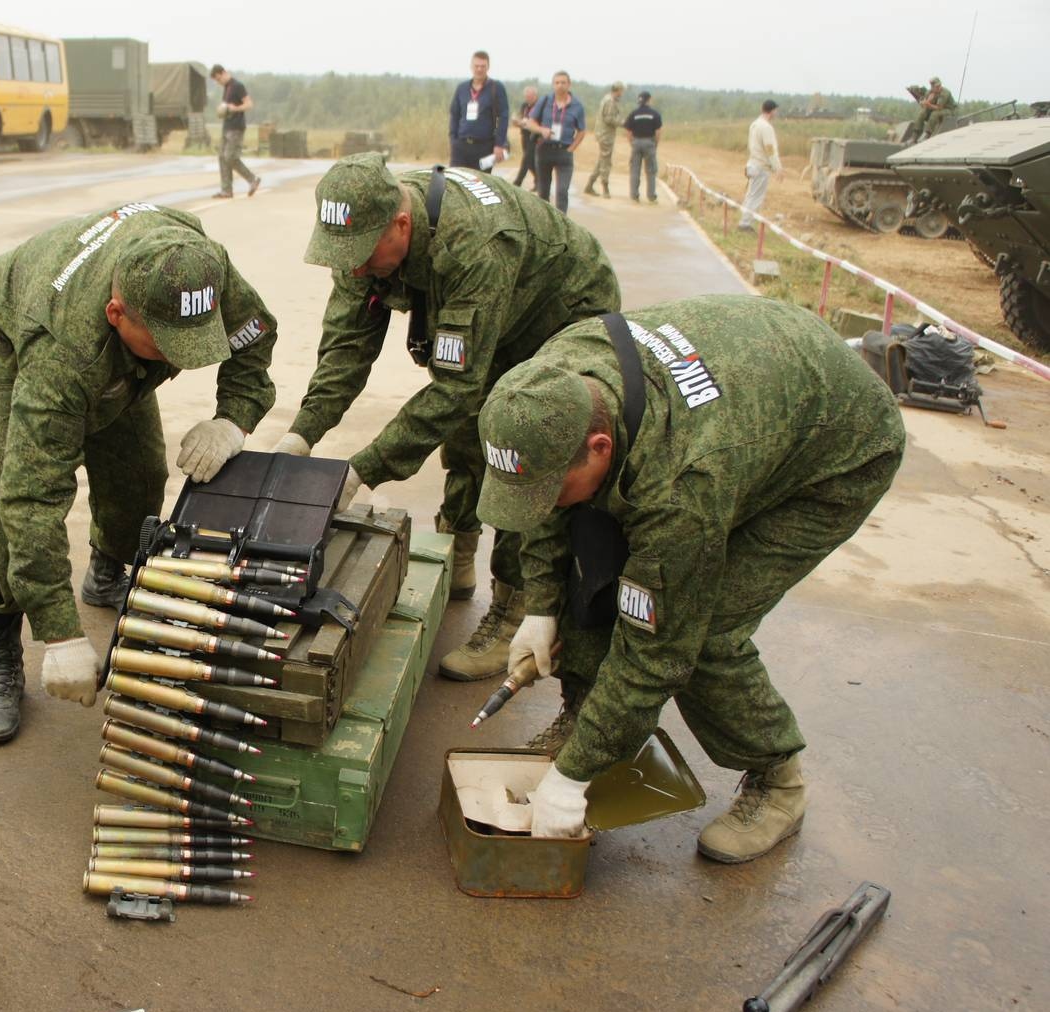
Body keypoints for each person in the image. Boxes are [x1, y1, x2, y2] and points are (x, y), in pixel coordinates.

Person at [477, 295, 904, 861]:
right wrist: (542, 605)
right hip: (759, 391)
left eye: (550, 486)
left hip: (835, 450)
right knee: (592, 541)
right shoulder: (547, 386)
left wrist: (571, 779)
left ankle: (777, 780)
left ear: (600, 448)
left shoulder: (684, 487)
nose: (542, 502)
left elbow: (657, 654)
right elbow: (550, 510)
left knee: (704, 631)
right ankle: (589, 719)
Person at [274, 153, 619, 681]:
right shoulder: (360, 242)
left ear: (401, 224)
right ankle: (458, 552)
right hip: (489, 305)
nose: (355, 269)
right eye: (343, 257)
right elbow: (346, 349)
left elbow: (458, 386)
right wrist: (302, 432)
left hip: (560, 312)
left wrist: (364, 468)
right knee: (462, 426)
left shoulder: (474, 244)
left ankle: (514, 607)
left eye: (363, 256)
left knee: (519, 451)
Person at [0, 202, 277, 742]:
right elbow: (31, 499)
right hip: (5, 338)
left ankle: (105, 571)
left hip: (100, 338)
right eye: (169, 346)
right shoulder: (67, 354)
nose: (181, 360)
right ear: (116, 314)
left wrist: (232, 420)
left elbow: (254, 338)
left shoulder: (200, 270)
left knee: (141, 477)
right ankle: (3, 649)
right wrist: (60, 635)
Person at [527, 71, 586, 213]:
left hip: (564, 151)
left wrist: (572, 148)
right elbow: (531, 122)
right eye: (557, 82)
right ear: (553, 84)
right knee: (543, 192)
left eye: (563, 82)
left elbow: (582, 131)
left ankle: (562, 226)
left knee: (562, 192)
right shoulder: (545, 101)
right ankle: (544, 225)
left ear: (569, 84)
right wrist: (541, 130)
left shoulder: (577, 106)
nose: (560, 86)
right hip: (544, 149)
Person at [448, 50, 510, 173]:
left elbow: (503, 116)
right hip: (461, 145)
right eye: (476, 66)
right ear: (471, 66)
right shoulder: (462, 88)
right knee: (456, 182)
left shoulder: (496, 88)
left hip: (484, 146)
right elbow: (454, 114)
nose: (479, 69)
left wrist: (499, 144)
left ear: (488, 67)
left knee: (479, 186)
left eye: (483, 66)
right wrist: (453, 140)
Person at [209, 64, 260, 198]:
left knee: (230, 157)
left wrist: (234, 108)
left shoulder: (238, 86)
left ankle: (252, 179)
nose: (218, 82)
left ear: (224, 73)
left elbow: (249, 104)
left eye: (219, 79)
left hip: (236, 127)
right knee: (221, 156)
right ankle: (226, 190)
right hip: (227, 126)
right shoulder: (227, 88)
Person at [740, 99, 782, 229]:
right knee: (756, 197)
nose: (776, 113)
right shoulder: (766, 127)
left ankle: (745, 220)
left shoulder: (754, 124)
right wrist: (778, 168)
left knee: (751, 195)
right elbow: (770, 150)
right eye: (776, 110)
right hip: (761, 167)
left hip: (752, 163)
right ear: (772, 111)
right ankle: (745, 224)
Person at [583, 81, 625, 197]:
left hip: (604, 134)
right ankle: (605, 187)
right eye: (621, 91)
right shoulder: (610, 101)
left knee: (602, 160)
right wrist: (623, 123)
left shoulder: (607, 99)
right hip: (605, 135)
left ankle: (590, 184)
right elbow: (609, 118)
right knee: (606, 161)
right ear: (618, 90)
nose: (622, 93)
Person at [624, 90, 664, 203]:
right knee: (651, 170)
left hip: (636, 143)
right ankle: (651, 196)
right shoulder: (654, 114)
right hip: (649, 143)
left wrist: (632, 143)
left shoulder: (634, 113)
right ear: (649, 100)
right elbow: (658, 132)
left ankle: (634, 196)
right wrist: (655, 144)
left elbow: (628, 130)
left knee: (635, 170)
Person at [511, 84, 539, 188]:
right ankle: (539, 180)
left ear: (535, 96)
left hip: (535, 136)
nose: (528, 99)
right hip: (525, 135)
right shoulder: (524, 105)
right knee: (530, 162)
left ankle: (517, 183)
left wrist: (524, 123)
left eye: (530, 97)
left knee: (526, 159)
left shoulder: (539, 106)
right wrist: (516, 122)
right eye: (526, 97)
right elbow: (522, 118)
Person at [915, 76, 955, 141]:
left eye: (939, 86)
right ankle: (915, 135)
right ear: (932, 87)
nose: (938, 87)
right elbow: (923, 104)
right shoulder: (929, 92)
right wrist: (925, 102)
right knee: (922, 113)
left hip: (948, 110)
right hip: (936, 108)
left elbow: (939, 107)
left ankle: (927, 134)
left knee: (935, 114)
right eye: (936, 86)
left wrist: (928, 104)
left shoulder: (945, 93)